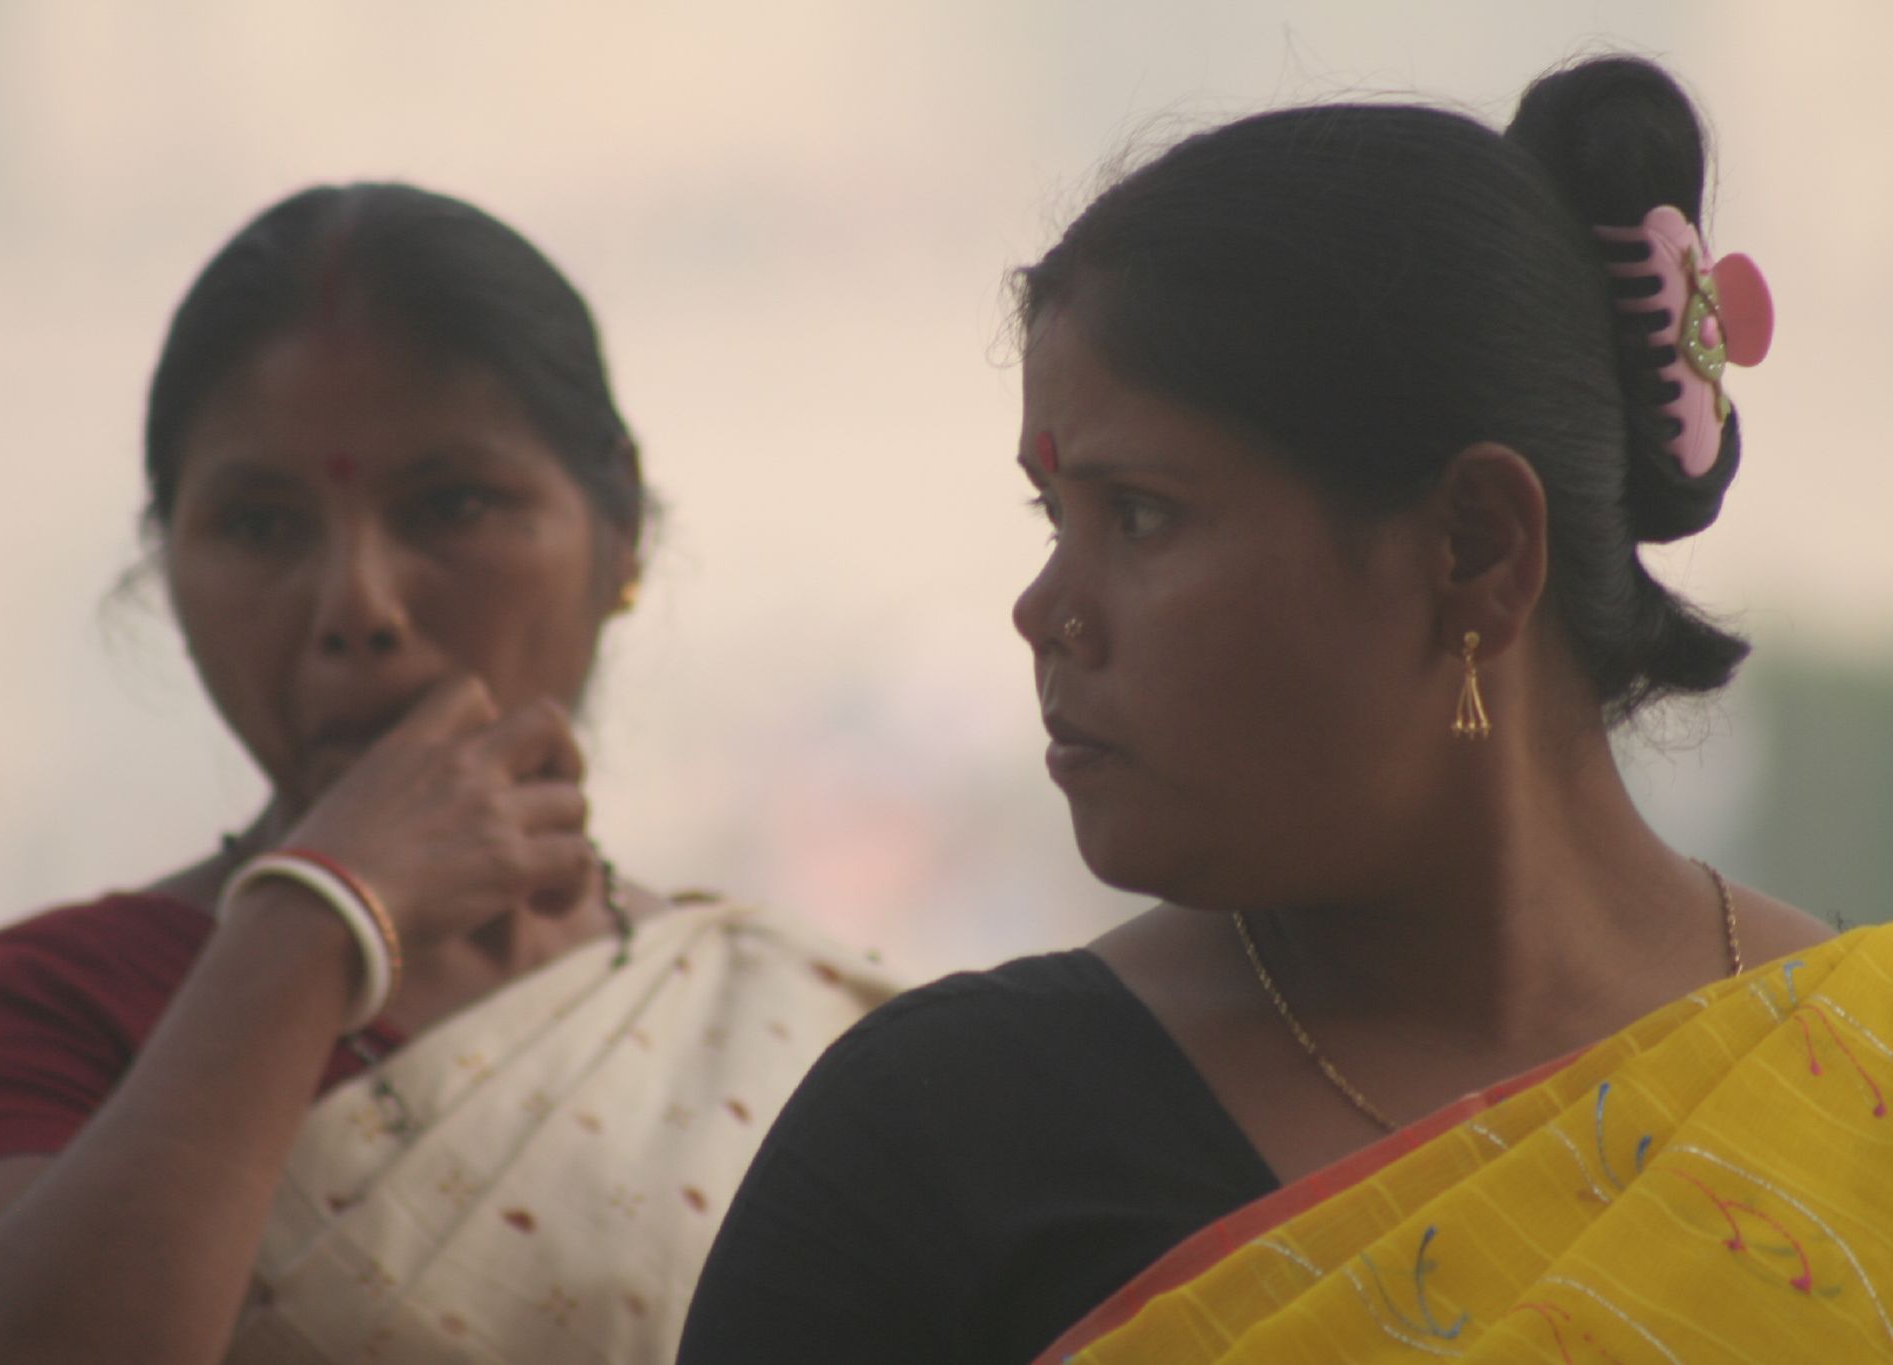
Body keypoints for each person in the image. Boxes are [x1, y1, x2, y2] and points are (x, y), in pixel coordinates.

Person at [677, 57, 1882, 1365]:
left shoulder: (1850, 1085)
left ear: (1476, 547)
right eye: (1053, 515)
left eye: (1138, 513)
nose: (1044, 611)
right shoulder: (934, 1148)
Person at [0, 182, 899, 1365]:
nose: (355, 605)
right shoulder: (68, 1002)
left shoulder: (800, 1031)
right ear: (169, 566)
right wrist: (314, 921)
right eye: (262, 526)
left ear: (616, 534)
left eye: (451, 505)